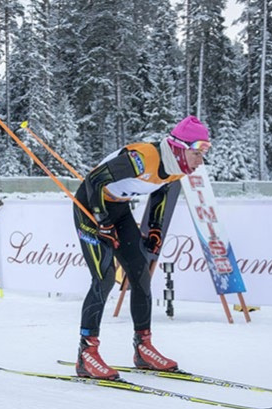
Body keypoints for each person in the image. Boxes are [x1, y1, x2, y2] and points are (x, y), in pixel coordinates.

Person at [72, 115, 212, 379]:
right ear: (181, 147)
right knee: (104, 278)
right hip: (90, 206)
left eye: (205, 152)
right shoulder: (143, 157)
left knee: (140, 274)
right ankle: (86, 353)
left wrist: (155, 230)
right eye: (198, 151)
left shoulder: (177, 166)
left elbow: (162, 192)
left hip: (119, 208)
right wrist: (102, 221)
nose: (200, 160)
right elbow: (94, 181)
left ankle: (143, 348)